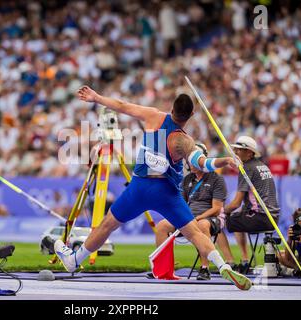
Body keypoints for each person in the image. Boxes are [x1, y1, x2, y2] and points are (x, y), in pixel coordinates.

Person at [55, 85, 252, 290]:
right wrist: (226, 160)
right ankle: (221, 266)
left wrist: (96, 97)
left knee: (107, 226)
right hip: (167, 193)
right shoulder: (184, 141)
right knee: (195, 233)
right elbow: (202, 163)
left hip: (140, 187)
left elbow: (122, 106)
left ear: (172, 108)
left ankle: (74, 260)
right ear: (191, 114)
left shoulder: (153, 116)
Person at [155, 143, 228, 280]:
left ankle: (204, 269)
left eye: (195, 161)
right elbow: (180, 203)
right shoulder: (186, 179)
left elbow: (216, 209)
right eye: (189, 161)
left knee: (202, 225)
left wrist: (198, 217)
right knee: (161, 226)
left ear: (204, 161)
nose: (191, 164)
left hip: (211, 218)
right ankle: (163, 268)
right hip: (189, 217)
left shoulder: (217, 179)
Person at [221, 136, 280, 273]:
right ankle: (245, 259)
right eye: (235, 149)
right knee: (237, 217)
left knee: (221, 220)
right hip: (272, 217)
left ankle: (232, 261)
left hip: (261, 217)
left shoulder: (246, 168)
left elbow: (236, 203)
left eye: (239, 149)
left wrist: (221, 211)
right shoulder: (262, 166)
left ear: (249, 152)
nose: (235, 152)